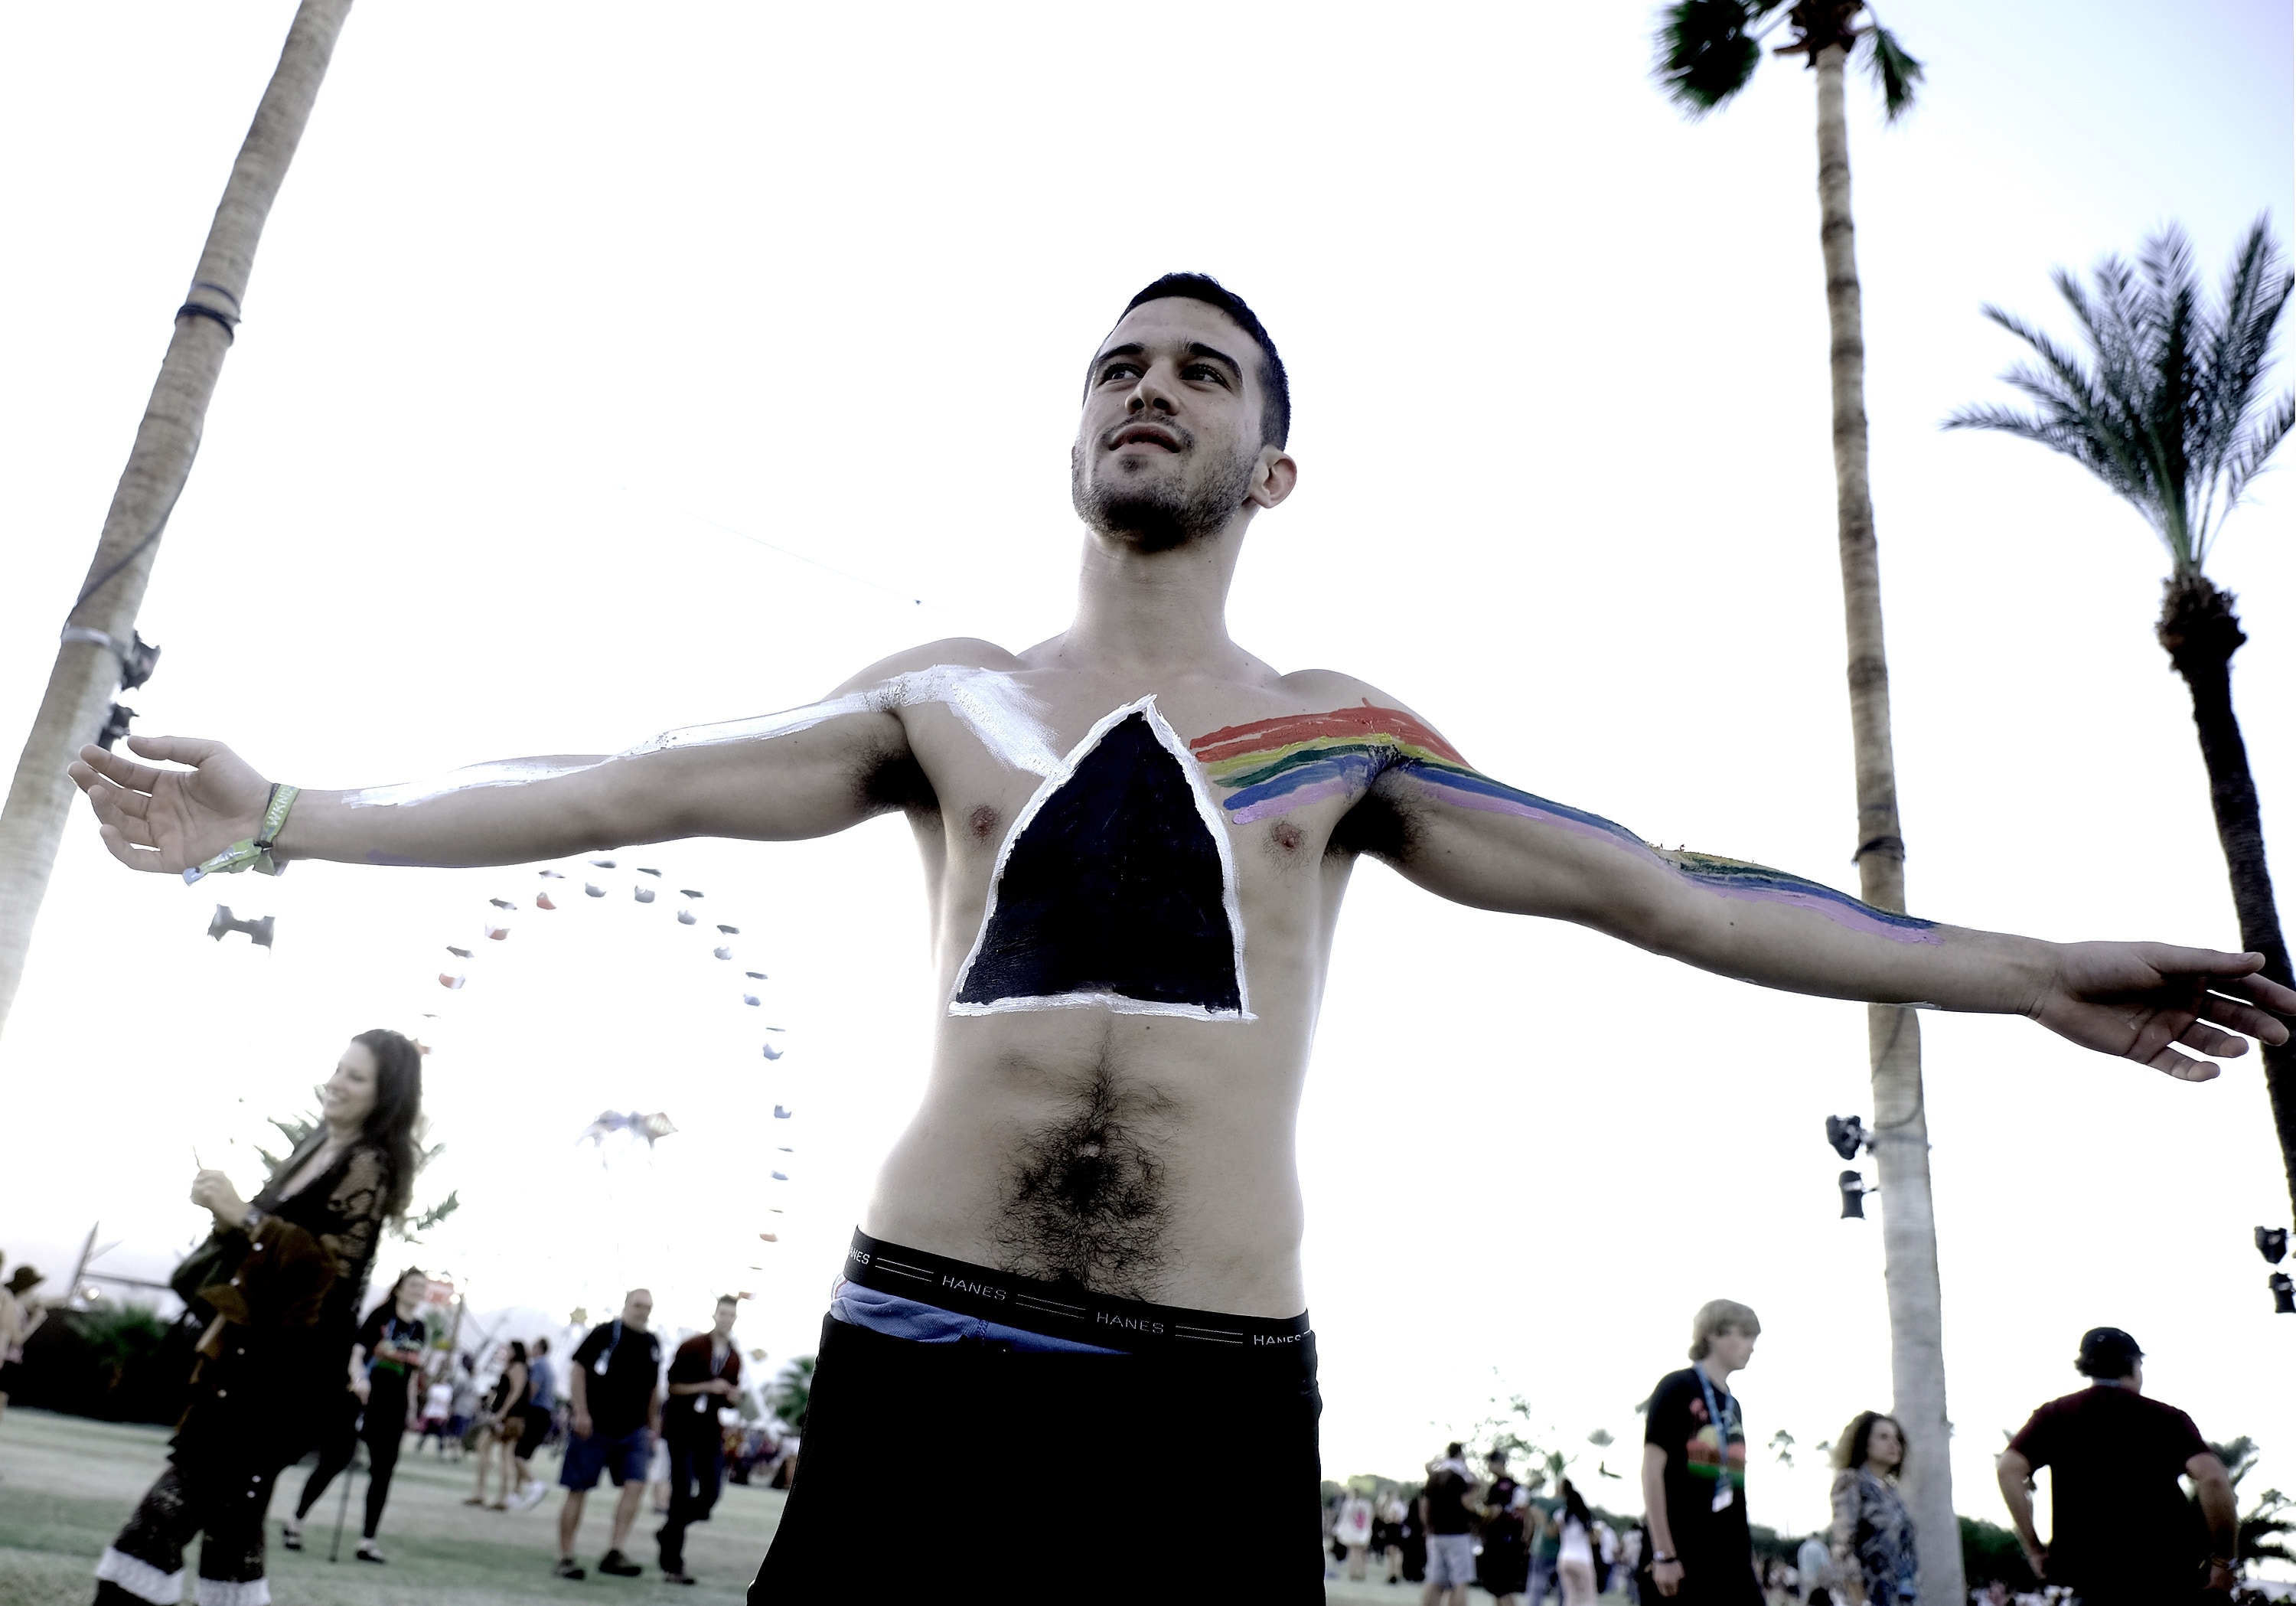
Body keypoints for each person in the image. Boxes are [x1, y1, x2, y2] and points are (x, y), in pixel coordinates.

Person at [69, 276, 2296, 1604]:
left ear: (1273, 469)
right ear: (1070, 438)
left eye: (1204, 373)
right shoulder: (942, 696)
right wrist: (280, 814)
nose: (1150, 387)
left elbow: (1669, 886)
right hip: (917, 1367)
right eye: (1119, 366)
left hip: (1210, 1406)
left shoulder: (1337, 736)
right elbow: (616, 784)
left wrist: (2017, 968)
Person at [92, 1030, 419, 1606]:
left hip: (280, 1383)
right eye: (339, 1069)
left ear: (385, 1094)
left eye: (357, 1076)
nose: (338, 1082)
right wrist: (227, 1217)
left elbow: (327, 1276)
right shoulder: (319, 1146)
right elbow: (264, 1260)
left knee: (157, 1528)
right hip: (241, 1367)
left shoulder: (370, 1163)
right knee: (231, 1537)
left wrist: (243, 1216)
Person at [1996, 1327, 2238, 1604]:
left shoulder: (2055, 1415)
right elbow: (2213, 1479)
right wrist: (2224, 1560)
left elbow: (2008, 1469)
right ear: (2134, 1364)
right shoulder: (2167, 1418)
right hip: (2167, 1579)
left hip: (2091, 1583)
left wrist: (2035, 1549)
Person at [284, 1265, 430, 1562]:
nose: (418, 1291)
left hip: (394, 1407)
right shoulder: (380, 1317)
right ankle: (295, 1521)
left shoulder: (420, 1329)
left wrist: (413, 1408)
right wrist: (359, 1380)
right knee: (334, 1462)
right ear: (400, 1288)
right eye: (413, 1285)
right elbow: (357, 1355)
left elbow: (412, 1374)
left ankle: (367, 1541)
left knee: (383, 1473)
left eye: (422, 1287)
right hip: (362, 1399)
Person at [1642, 1300, 1761, 1604]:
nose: (1752, 1346)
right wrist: (1664, 1554)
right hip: (1682, 1554)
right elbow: (1652, 1470)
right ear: (1713, 1334)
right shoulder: (1677, 1386)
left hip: (1732, 1559)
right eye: (1745, 1334)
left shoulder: (1733, 1406)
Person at [556, 1289, 664, 1580]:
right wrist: (581, 1411)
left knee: (636, 1485)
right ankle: (566, 1556)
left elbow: (654, 1386)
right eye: (638, 1305)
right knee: (578, 1489)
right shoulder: (604, 1334)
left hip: (634, 1430)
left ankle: (615, 1551)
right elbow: (578, 1370)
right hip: (595, 1426)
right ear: (626, 1305)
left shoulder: (652, 1343)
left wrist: (652, 1423)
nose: (643, 1311)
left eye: (648, 1307)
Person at [657, 1296, 745, 1584]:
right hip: (681, 1428)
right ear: (715, 1315)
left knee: (710, 1494)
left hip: (708, 1430)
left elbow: (728, 1400)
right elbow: (673, 1386)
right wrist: (707, 1385)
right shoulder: (692, 1347)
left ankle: (670, 1530)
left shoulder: (734, 1357)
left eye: (731, 1314)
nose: (726, 1319)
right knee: (681, 1490)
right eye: (723, 1313)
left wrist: (732, 1397)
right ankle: (673, 1563)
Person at [1828, 1412, 1915, 1605]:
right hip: (1868, 1595)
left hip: (1901, 1595)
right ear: (1864, 1443)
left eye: (1897, 1438)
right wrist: (1861, 1600)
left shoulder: (1892, 1492)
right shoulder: (1850, 1483)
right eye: (1883, 1437)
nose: (1894, 1444)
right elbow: (1844, 1548)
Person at [468, 1341, 531, 1510]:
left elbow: (515, 1391)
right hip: (505, 1416)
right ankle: (489, 1493)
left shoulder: (518, 1368)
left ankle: (497, 1495)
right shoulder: (512, 1368)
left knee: (500, 1453)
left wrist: (503, 1411)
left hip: (509, 1418)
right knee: (492, 1451)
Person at [1420, 1444, 1479, 1606]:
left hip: (1436, 1534)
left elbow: (1424, 1505)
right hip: (1457, 1534)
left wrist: (1428, 1527)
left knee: (1435, 1581)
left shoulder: (1434, 1477)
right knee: (1460, 1582)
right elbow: (1468, 1503)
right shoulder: (1460, 1477)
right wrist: (1476, 1488)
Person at [509, 1335, 558, 1509]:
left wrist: (519, 1408)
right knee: (523, 1455)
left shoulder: (538, 1366)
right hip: (545, 1414)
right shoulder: (550, 1368)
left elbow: (532, 1389)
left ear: (538, 1349)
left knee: (518, 1454)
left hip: (536, 1413)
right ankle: (515, 1493)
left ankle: (535, 1485)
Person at [0, 1260, 47, 1438]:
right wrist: (36, 1321)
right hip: (6, 1359)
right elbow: (17, 1339)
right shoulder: (12, 1305)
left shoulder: (10, 1301)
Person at [1477, 1451, 1531, 1605]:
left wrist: (1480, 1515)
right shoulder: (1518, 1487)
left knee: (1501, 1588)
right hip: (1514, 1542)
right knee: (1501, 1588)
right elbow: (1527, 1517)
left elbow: (1493, 1513)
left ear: (1497, 1463)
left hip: (1499, 1543)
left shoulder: (1498, 1487)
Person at [1556, 1480, 1602, 1606]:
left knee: (1570, 1597)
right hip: (1582, 1560)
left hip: (1564, 1558)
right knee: (1588, 1597)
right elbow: (1593, 1540)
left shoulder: (1561, 1515)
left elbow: (1551, 1532)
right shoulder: (1585, 1518)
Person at [1336, 1484, 1377, 1582]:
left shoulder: (1348, 1504)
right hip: (1363, 1531)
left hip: (1352, 1531)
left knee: (1353, 1552)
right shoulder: (1366, 1504)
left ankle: (1353, 1572)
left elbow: (1344, 1518)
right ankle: (1361, 1572)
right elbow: (1370, 1518)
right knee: (1361, 1553)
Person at [1794, 1529, 1832, 1603]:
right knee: (1819, 1600)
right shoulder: (1820, 1547)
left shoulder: (1803, 1547)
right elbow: (1823, 1566)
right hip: (1817, 1577)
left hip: (1804, 1576)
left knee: (1806, 1599)